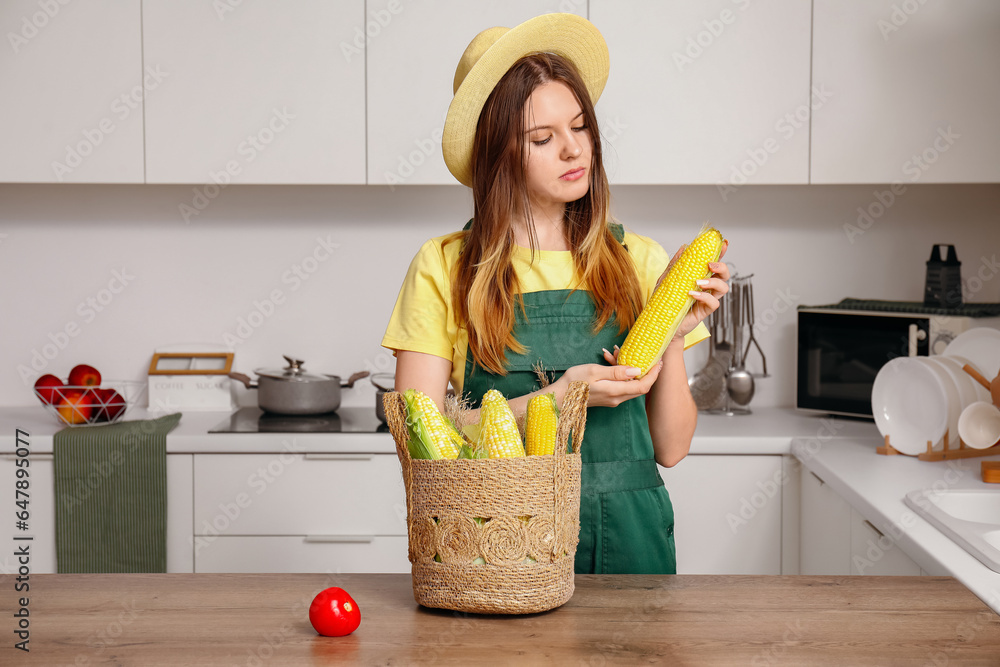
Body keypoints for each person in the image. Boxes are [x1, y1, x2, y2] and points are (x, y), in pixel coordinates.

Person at [381, 13, 730, 574]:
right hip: (501, 543)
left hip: (632, 540)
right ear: (498, 155)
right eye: (543, 138)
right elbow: (421, 447)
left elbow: (672, 447)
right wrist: (559, 398)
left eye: (580, 127)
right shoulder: (443, 267)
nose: (574, 151)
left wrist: (669, 335)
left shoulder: (642, 260)